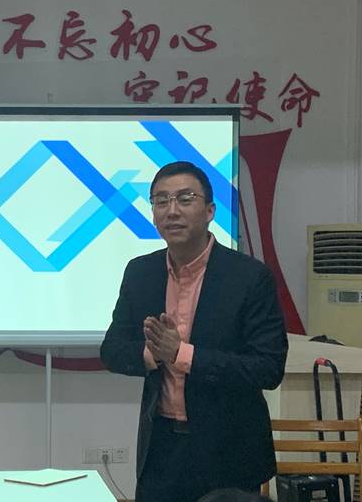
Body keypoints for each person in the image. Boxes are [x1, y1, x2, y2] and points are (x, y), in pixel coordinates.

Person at [100, 161, 288, 502]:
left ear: (210, 211)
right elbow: (112, 350)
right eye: (161, 201)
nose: (172, 210)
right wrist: (153, 353)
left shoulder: (249, 277)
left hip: (229, 451)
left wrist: (181, 354)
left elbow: (268, 368)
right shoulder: (141, 273)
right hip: (161, 447)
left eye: (185, 199)